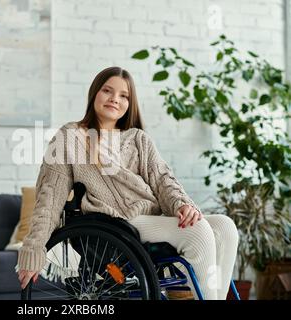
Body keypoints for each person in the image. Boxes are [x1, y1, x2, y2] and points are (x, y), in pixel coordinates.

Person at [17, 66, 239, 300]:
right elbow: (50, 197)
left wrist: (181, 204)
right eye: (107, 91)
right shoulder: (71, 136)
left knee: (225, 226)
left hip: (149, 218)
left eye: (124, 96)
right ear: (94, 93)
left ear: (130, 103)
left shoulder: (138, 139)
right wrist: (34, 249)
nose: (115, 99)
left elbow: (163, 179)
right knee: (198, 231)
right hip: (115, 224)